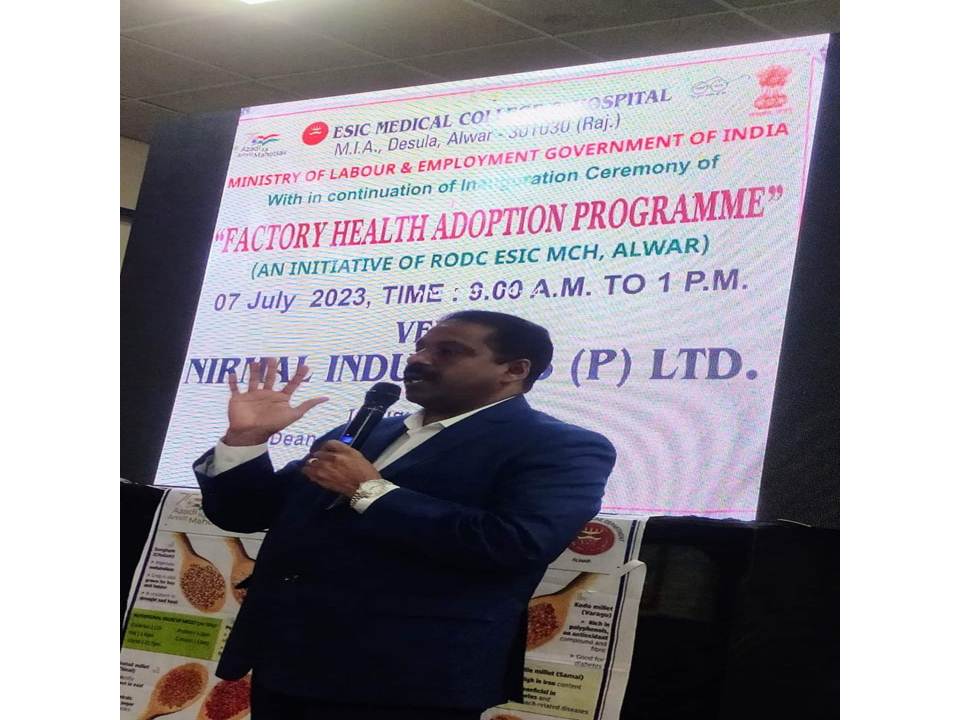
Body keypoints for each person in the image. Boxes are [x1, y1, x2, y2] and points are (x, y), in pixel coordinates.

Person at [194, 311, 616, 719]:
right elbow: (244, 514)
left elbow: (515, 544)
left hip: (406, 680)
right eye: (420, 347)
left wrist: (370, 492)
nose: (419, 359)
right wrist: (245, 441)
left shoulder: (560, 447)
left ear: (514, 369)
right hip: (284, 664)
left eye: (448, 351)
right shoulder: (364, 432)